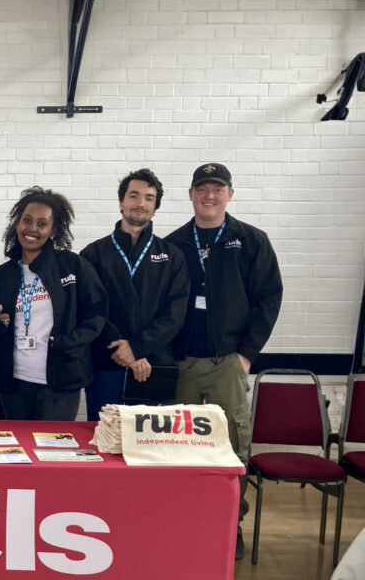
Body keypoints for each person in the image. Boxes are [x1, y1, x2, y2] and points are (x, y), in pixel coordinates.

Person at [165, 163, 283, 560]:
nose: (209, 196)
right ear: (191, 194)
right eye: (202, 189)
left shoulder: (250, 240)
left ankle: (229, 523)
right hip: (182, 363)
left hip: (228, 363)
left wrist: (247, 355)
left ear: (230, 194)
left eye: (217, 189)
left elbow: (269, 298)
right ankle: (183, 518)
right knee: (178, 445)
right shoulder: (173, 243)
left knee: (232, 445)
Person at [0, 186, 107, 421]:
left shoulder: (72, 266)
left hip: (60, 381)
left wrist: (66, 343)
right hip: (13, 383)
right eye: (27, 221)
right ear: (17, 224)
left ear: (54, 230)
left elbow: (97, 314)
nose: (32, 229)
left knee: (53, 454)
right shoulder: (1, 275)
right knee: (16, 453)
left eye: (42, 223)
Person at [80, 169, 189, 418]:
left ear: (156, 206)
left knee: (150, 450)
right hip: (107, 364)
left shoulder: (172, 256)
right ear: (121, 202)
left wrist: (137, 348)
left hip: (155, 365)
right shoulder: (92, 255)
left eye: (149, 198)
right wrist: (125, 352)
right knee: (105, 445)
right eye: (134, 196)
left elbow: (175, 315)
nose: (141, 204)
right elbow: (90, 311)